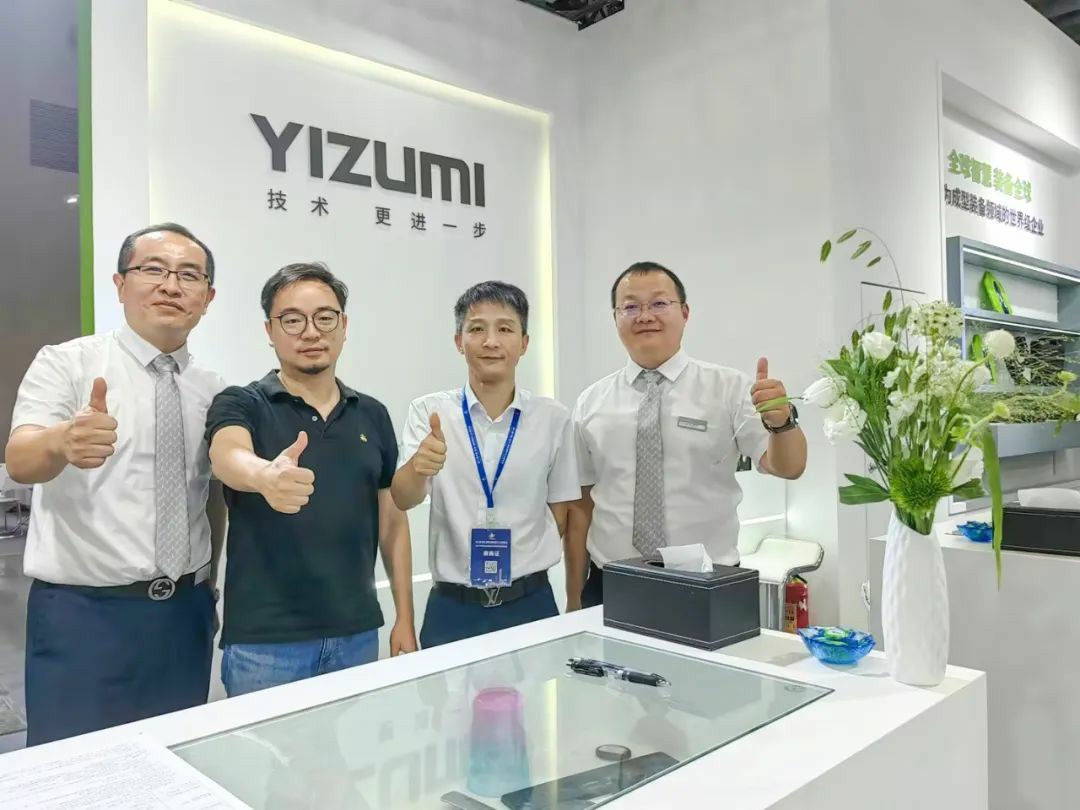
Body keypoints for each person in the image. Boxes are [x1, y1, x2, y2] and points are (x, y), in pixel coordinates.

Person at [5, 223, 225, 745]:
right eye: (153, 269)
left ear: (207, 298)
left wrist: (209, 586)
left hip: (184, 614)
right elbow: (20, 459)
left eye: (189, 275)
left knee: (174, 761)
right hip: (84, 615)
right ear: (120, 283)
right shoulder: (68, 363)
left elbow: (210, 496)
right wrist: (61, 440)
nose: (171, 285)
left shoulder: (214, 388)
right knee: (75, 771)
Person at [205, 262, 415, 696]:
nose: (311, 332)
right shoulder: (243, 402)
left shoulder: (372, 414)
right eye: (292, 320)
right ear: (270, 330)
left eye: (325, 317)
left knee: (353, 745)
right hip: (266, 644)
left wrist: (405, 618)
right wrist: (264, 475)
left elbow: (392, 522)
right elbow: (227, 455)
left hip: (357, 634)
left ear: (344, 326)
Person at [566, 261, 807, 609]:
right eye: (630, 307)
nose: (645, 316)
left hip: (708, 582)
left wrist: (781, 422)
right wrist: (573, 596)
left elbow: (788, 466)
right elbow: (581, 504)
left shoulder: (728, 388)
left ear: (685, 312)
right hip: (612, 583)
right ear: (615, 318)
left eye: (659, 303)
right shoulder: (591, 401)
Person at [391, 281, 580, 647]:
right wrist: (420, 466)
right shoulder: (430, 412)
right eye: (477, 329)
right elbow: (403, 498)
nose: (491, 341)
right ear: (459, 341)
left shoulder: (553, 419)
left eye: (505, 329)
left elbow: (561, 511)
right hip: (451, 607)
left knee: (543, 688)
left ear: (524, 343)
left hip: (530, 602)